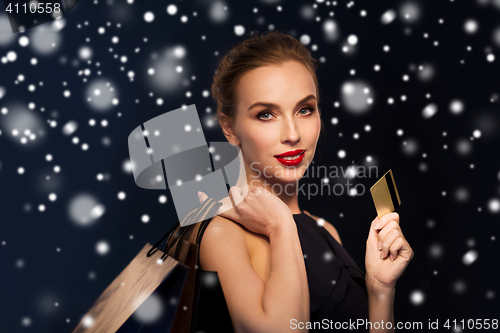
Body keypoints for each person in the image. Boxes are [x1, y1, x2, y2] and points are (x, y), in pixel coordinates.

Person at [195, 30, 413, 333]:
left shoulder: (326, 230)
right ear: (229, 129)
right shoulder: (220, 233)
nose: (293, 134)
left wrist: (379, 290)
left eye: (305, 109)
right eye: (266, 114)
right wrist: (280, 225)